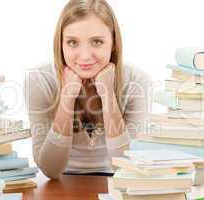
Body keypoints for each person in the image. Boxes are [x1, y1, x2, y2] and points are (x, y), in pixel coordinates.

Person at [25, 0, 151, 179]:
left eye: (97, 42)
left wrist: (107, 93)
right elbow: (51, 170)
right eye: (72, 43)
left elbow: (127, 168)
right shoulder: (39, 79)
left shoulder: (137, 81)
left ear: (113, 42)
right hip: (61, 184)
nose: (84, 56)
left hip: (115, 181)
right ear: (61, 44)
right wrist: (68, 96)